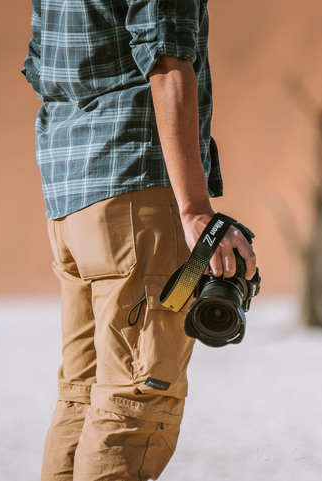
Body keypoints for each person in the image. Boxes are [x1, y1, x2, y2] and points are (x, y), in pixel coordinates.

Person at [22, 1, 257, 479]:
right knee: (136, 400)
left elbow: (41, 62)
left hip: (71, 199)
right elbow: (168, 60)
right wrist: (194, 210)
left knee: (83, 395)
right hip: (137, 193)